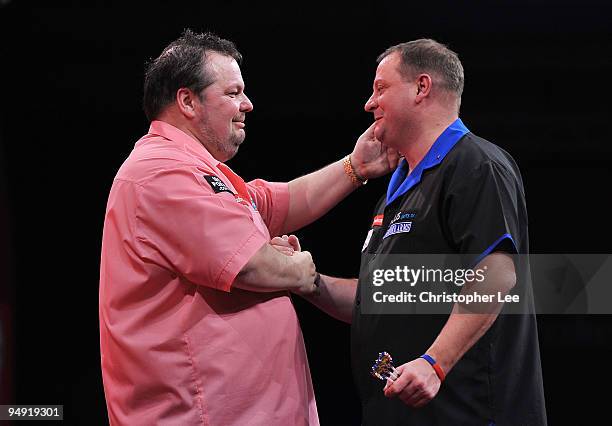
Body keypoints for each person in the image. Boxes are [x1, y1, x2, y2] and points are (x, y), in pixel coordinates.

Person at [98, 30, 398, 426]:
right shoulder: (161, 172)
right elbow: (256, 267)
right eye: (232, 92)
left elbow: (281, 201)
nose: (247, 104)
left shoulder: (199, 171)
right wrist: (298, 266)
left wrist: (355, 168)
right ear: (187, 101)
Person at [291, 39, 547, 425]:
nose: (369, 103)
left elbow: (497, 273)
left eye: (380, 88)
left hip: (470, 411)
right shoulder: (395, 194)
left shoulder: (476, 164)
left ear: (421, 88)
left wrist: (435, 364)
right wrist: (306, 281)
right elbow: (379, 297)